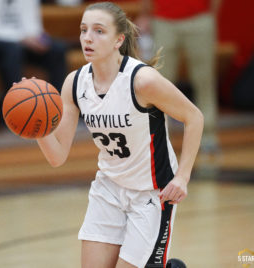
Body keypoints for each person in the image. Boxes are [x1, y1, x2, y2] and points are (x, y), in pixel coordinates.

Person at [32, 2, 203, 267]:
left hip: (152, 193)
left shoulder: (142, 81)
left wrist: (182, 177)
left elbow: (194, 117)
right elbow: (57, 157)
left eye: (99, 31)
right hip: (108, 190)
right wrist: (38, 129)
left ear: (118, 40)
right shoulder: (75, 83)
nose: (88, 37)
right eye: (83, 29)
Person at [137, 0, 221, 154]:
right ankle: (158, 136)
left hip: (199, 19)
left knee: (204, 81)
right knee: (158, 84)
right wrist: (145, 14)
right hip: (163, 21)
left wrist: (209, 16)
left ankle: (207, 135)